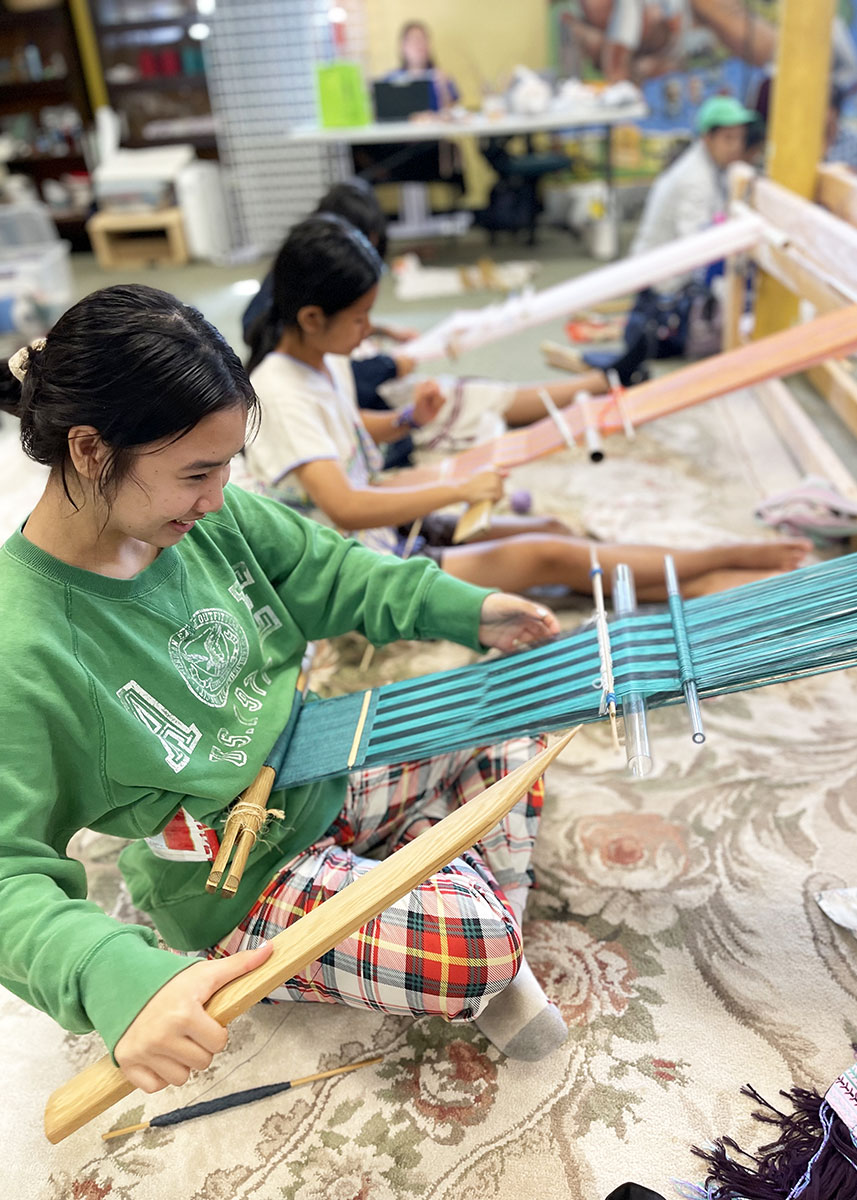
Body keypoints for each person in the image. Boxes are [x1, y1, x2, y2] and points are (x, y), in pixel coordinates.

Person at [0, 283, 585, 1097]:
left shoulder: (211, 516)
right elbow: (4, 871)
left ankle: (438, 901)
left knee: (517, 705)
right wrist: (112, 975)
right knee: (475, 944)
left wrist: (467, 610)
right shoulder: (21, 643)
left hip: (320, 760)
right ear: (92, 451)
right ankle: (476, 931)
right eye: (194, 473)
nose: (215, 497)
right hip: (231, 879)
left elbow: (327, 568)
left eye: (226, 467)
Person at [244, 214, 809, 601]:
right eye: (361, 317)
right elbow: (342, 506)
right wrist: (456, 488)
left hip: (381, 535)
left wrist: (409, 420)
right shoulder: (279, 389)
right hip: (351, 575)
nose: (372, 329)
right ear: (314, 318)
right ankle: (716, 562)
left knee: (549, 529)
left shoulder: (324, 358)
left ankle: (688, 574)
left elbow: (342, 433)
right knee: (545, 554)